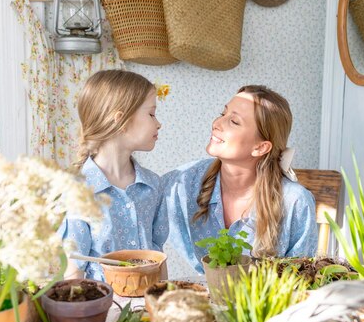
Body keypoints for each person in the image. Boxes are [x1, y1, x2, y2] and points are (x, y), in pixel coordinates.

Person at [163, 85, 318, 273]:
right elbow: (140, 197)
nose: (217, 123)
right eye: (223, 113)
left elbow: (300, 282)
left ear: (260, 148)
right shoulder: (187, 180)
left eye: (234, 122)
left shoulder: (295, 202)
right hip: (206, 298)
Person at [59, 70, 168, 280]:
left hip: (148, 305)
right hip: (103, 308)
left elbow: (158, 258)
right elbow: (73, 272)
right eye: (151, 114)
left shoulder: (153, 185)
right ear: (121, 120)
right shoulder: (78, 190)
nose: (158, 123)